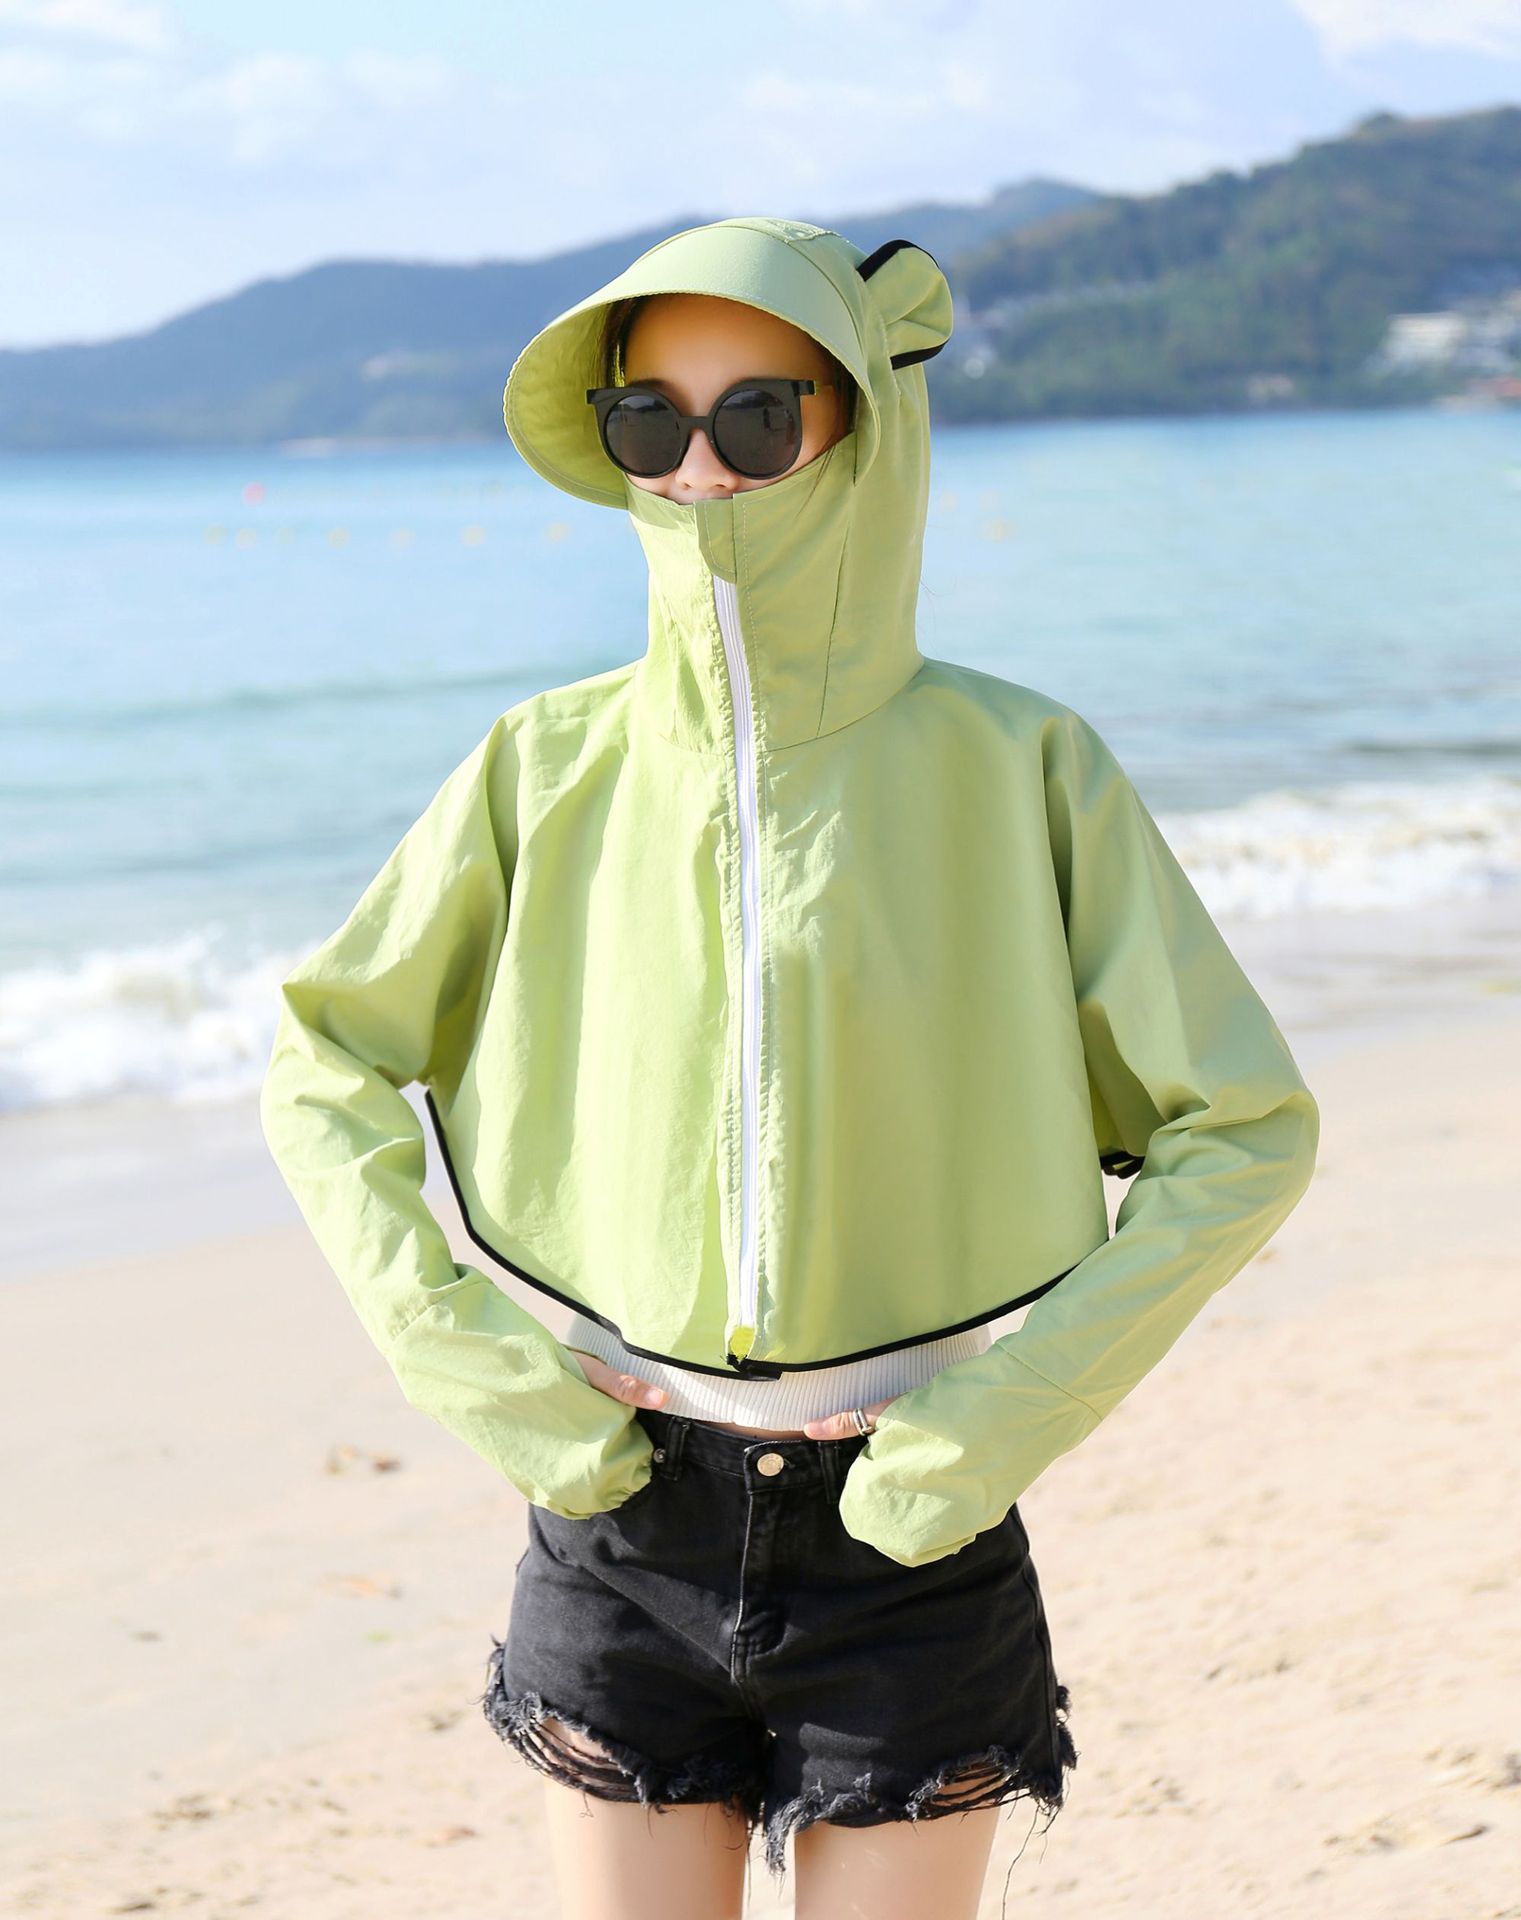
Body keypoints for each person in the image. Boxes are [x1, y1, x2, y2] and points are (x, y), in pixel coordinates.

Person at [259, 216, 1320, 1920]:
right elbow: (323, 1059)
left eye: (758, 416)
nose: (700, 469)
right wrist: (493, 1382)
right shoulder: (539, 765)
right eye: (649, 421)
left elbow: (1243, 1130)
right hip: (618, 1521)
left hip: (911, 1534)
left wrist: (992, 1424)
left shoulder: (1023, 765)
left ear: (861, 427)